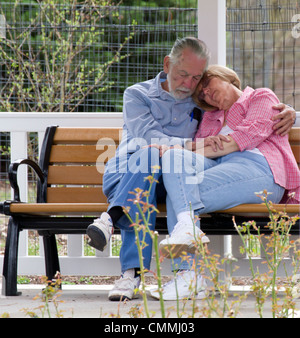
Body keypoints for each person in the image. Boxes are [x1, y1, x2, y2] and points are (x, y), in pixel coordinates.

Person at [86, 37, 296, 301]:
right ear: (167, 65)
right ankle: (143, 273)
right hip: (132, 171)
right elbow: (156, 139)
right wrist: (191, 147)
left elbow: (246, 131)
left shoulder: (232, 102)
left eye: (200, 80)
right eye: (184, 75)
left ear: (227, 77)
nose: (194, 87)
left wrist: (292, 112)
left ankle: (113, 222)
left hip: (232, 173)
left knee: (175, 176)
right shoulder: (143, 96)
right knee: (157, 158)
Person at [149, 65, 300, 300]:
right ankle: (188, 233)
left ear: (226, 77)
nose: (206, 93)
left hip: (261, 170)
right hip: (222, 169)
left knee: (178, 191)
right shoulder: (210, 118)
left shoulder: (260, 97)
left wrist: (207, 146)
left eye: (207, 84)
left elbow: (243, 139)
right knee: (174, 160)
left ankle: (188, 276)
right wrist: (178, 149)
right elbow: (194, 152)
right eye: (201, 95)